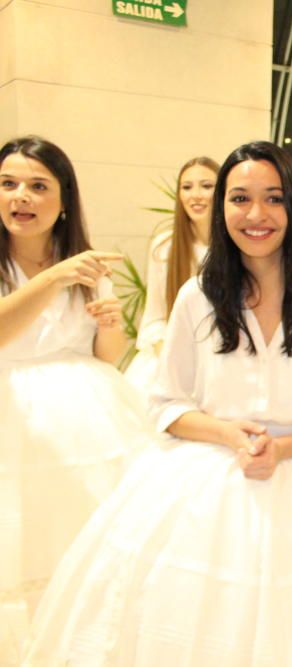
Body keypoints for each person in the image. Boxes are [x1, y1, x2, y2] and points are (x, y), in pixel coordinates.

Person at [25, 141, 292, 667]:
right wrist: (230, 434)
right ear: (221, 210)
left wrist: (281, 449)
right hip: (208, 481)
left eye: (273, 198)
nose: (255, 214)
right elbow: (165, 404)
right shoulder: (197, 295)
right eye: (239, 198)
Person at [0, 136, 152, 662]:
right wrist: (55, 277)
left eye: (38, 186)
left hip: (86, 411)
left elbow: (106, 356)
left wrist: (110, 325)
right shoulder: (61, 269)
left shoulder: (87, 268)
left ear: (63, 201)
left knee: (87, 541)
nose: (21, 196)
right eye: (9, 184)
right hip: (11, 412)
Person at [125, 156, 219, 394]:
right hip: (171, 354)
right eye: (187, 187)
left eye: (206, 186)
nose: (195, 195)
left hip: (224, 357)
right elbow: (154, 317)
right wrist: (171, 358)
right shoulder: (164, 247)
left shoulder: (240, 248)